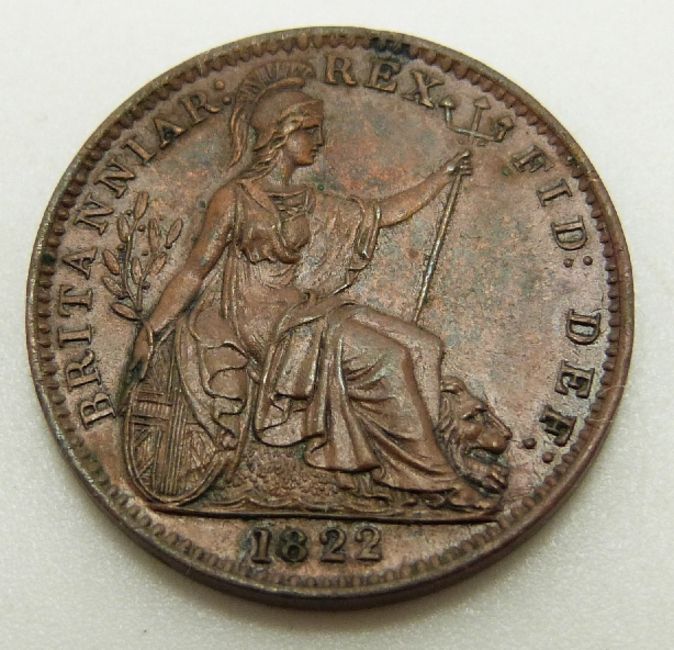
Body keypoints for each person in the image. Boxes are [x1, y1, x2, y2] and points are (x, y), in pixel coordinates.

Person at [126, 60, 472, 496]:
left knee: (424, 347)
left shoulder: (309, 199)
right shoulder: (234, 198)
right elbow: (195, 269)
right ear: (281, 134)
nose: (320, 140)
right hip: (256, 319)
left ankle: (406, 464)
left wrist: (441, 179)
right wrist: (152, 327)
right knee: (388, 358)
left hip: (300, 310)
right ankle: (435, 481)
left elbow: (380, 214)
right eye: (310, 130)